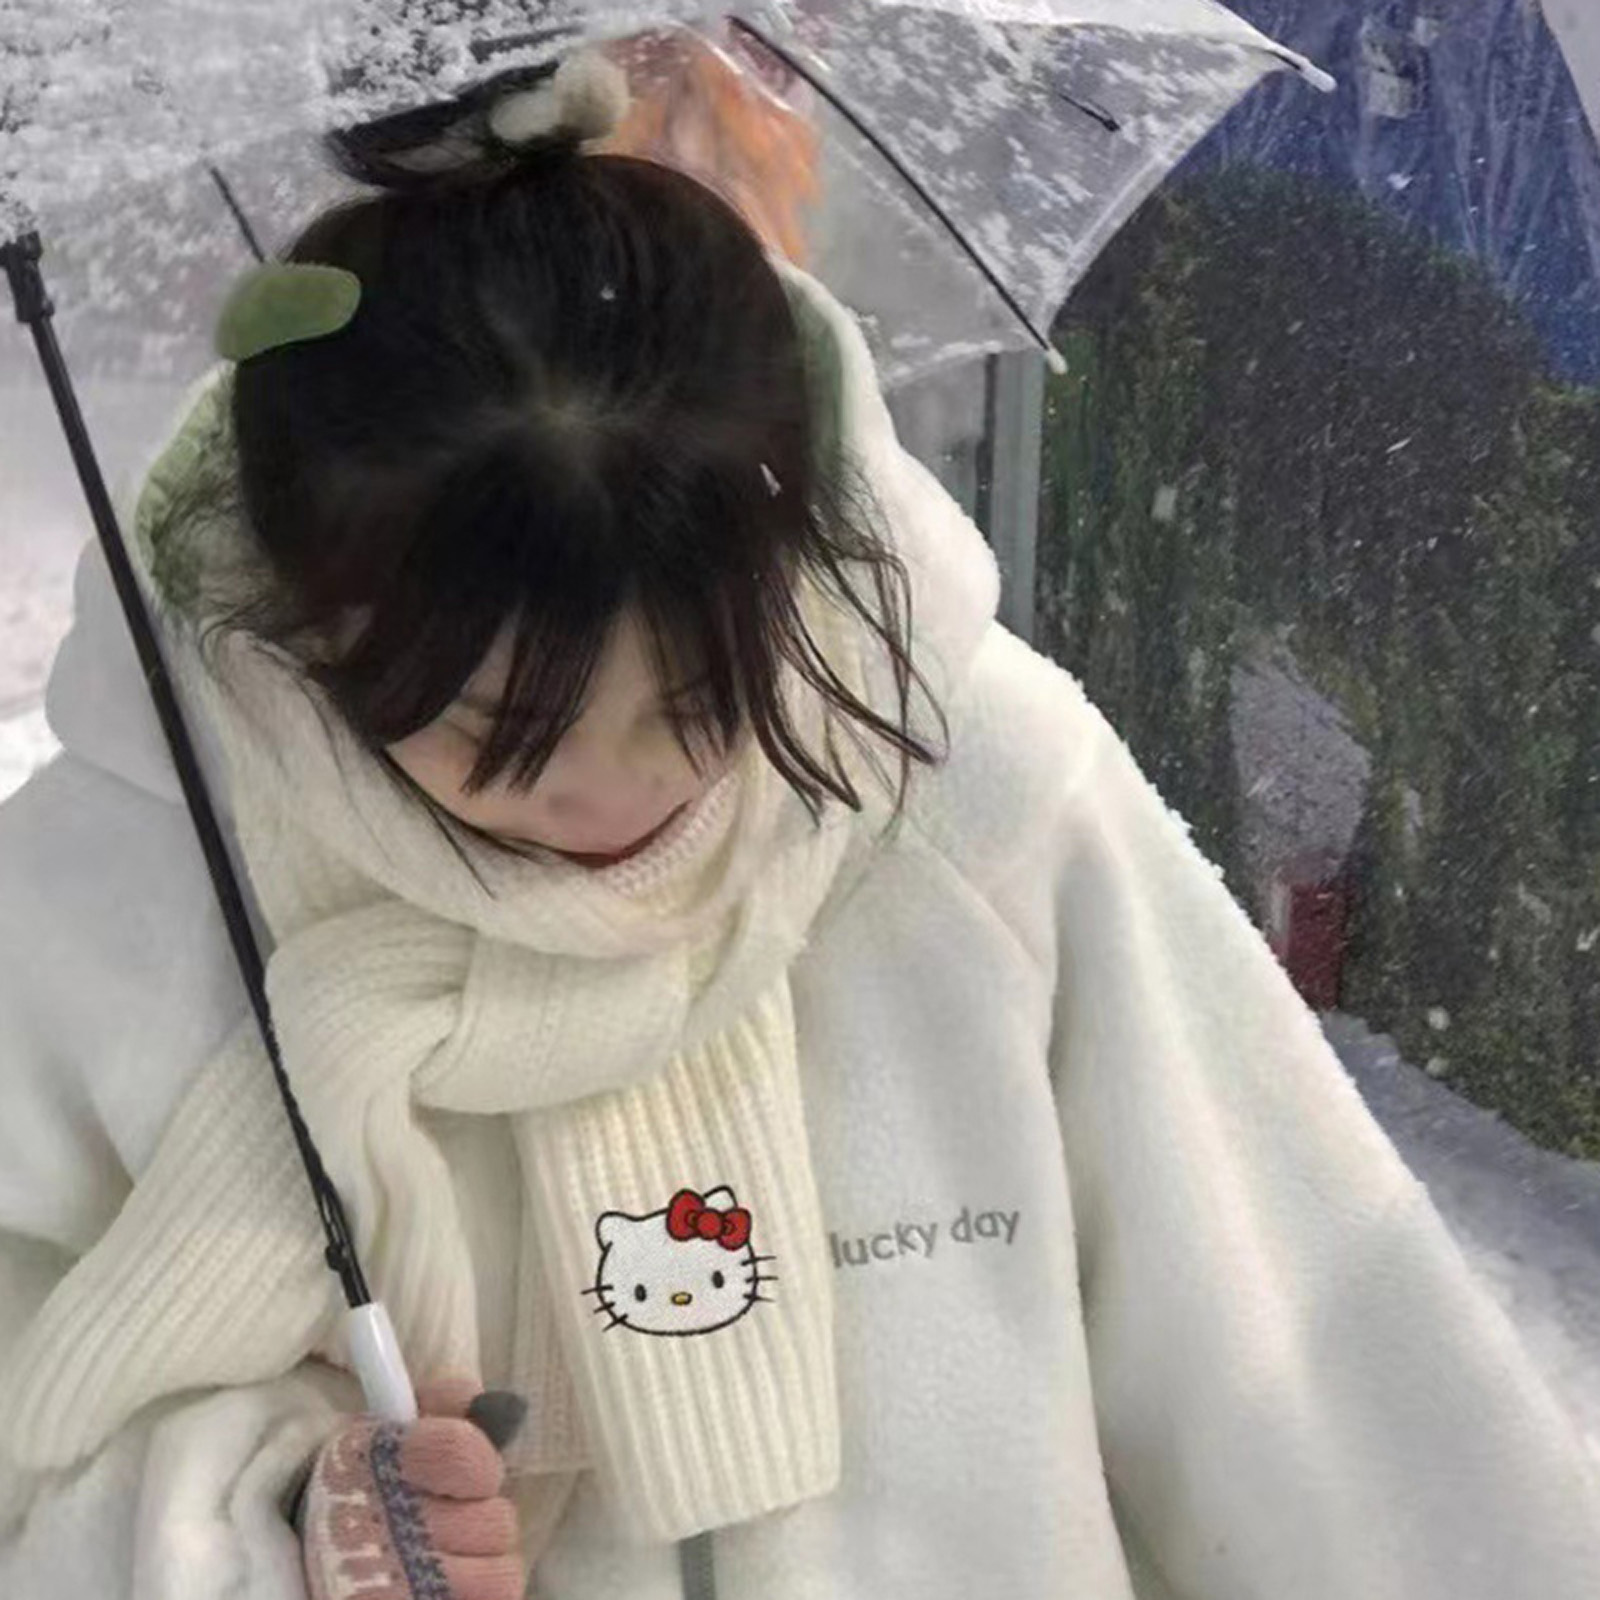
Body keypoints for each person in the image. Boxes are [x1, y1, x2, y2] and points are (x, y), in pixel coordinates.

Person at [2, 48, 1598, 1600]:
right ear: (317, 621)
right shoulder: (137, 896)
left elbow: (1301, 1369)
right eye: (499, 734)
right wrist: (267, 1521)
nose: (615, 797)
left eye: (703, 699)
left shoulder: (959, 783)